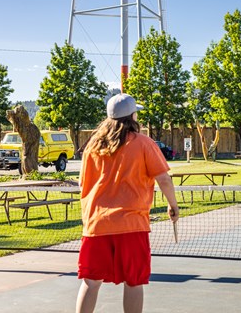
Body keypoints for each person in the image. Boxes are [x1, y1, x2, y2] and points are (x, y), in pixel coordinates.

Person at [76, 93, 180, 313]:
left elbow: (83, 184)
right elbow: (163, 178)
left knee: (90, 281)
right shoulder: (144, 143)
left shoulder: (92, 146)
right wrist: (173, 205)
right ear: (132, 116)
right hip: (131, 225)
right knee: (134, 282)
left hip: (96, 224)